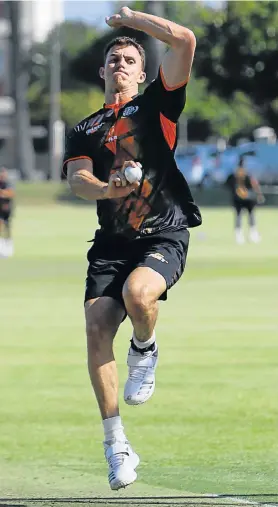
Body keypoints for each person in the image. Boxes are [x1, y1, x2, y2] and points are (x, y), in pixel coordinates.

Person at [63, 6, 201, 491]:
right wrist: (108, 190)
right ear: (102, 71)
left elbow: (184, 39)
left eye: (129, 59)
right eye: (113, 59)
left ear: (143, 73)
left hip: (163, 232)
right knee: (96, 325)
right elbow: (78, 179)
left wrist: (133, 21)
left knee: (140, 297)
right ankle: (115, 442)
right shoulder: (84, 128)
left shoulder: (158, 106)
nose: (120, 64)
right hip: (111, 244)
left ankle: (145, 346)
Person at [226, 156, 264, 244]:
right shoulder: (247, 174)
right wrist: (259, 195)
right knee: (251, 215)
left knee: (238, 215)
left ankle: (239, 236)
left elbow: (227, 184)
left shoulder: (233, 174)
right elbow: (254, 184)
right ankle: (253, 235)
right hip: (248, 198)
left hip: (237, 198)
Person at [0, 166, 15, 257]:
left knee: (7, 227)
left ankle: (8, 246)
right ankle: (2, 246)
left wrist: (2, 193)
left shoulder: (8, 184)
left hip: (6, 209)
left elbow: (11, 193)